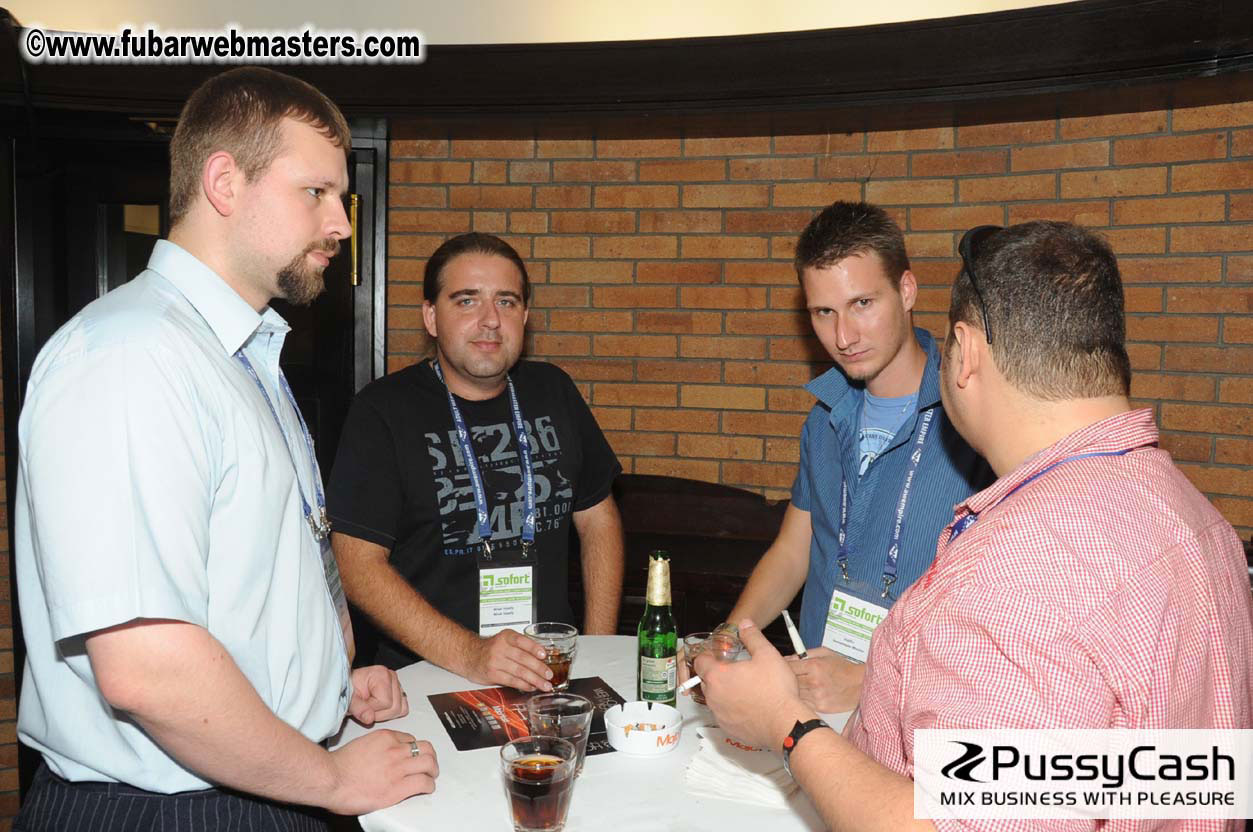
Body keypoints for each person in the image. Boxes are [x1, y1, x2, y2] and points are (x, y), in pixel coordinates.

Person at [696, 220, 1253, 832]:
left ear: (968, 352)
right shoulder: (1201, 524)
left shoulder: (1013, 571)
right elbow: (1177, 775)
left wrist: (785, 725)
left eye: (862, 303)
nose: (844, 333)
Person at [13, 68, 439, 831]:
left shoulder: (237, 354)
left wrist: (325, 684)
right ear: (223, 182)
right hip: (170, 812)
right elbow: (148, 668)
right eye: (315, 192)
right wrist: (329, 778)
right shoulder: (132, 356)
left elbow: (247, 581)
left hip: (253, 781)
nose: (341, 224)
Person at [713, 201, 989, 713]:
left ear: (907, 291)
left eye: (862, 303)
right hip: (815, 702)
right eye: (824, 312)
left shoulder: (977, 420)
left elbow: (1003, 620)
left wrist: (868, 682)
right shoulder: (824, 418)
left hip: (920, 715)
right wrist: (731, 634)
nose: (843, 337)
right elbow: (795, 549)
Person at [328, 232, 625, 691]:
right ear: (431, 316)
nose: (490, 321)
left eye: (506, 302)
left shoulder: (554, 391)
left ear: (525, 316)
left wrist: (597, 648)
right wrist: (472, 655)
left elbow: (598, 520)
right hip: (429, 677)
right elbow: (357, 563)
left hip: (552, 674)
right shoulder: (382, 411)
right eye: (467, 301)